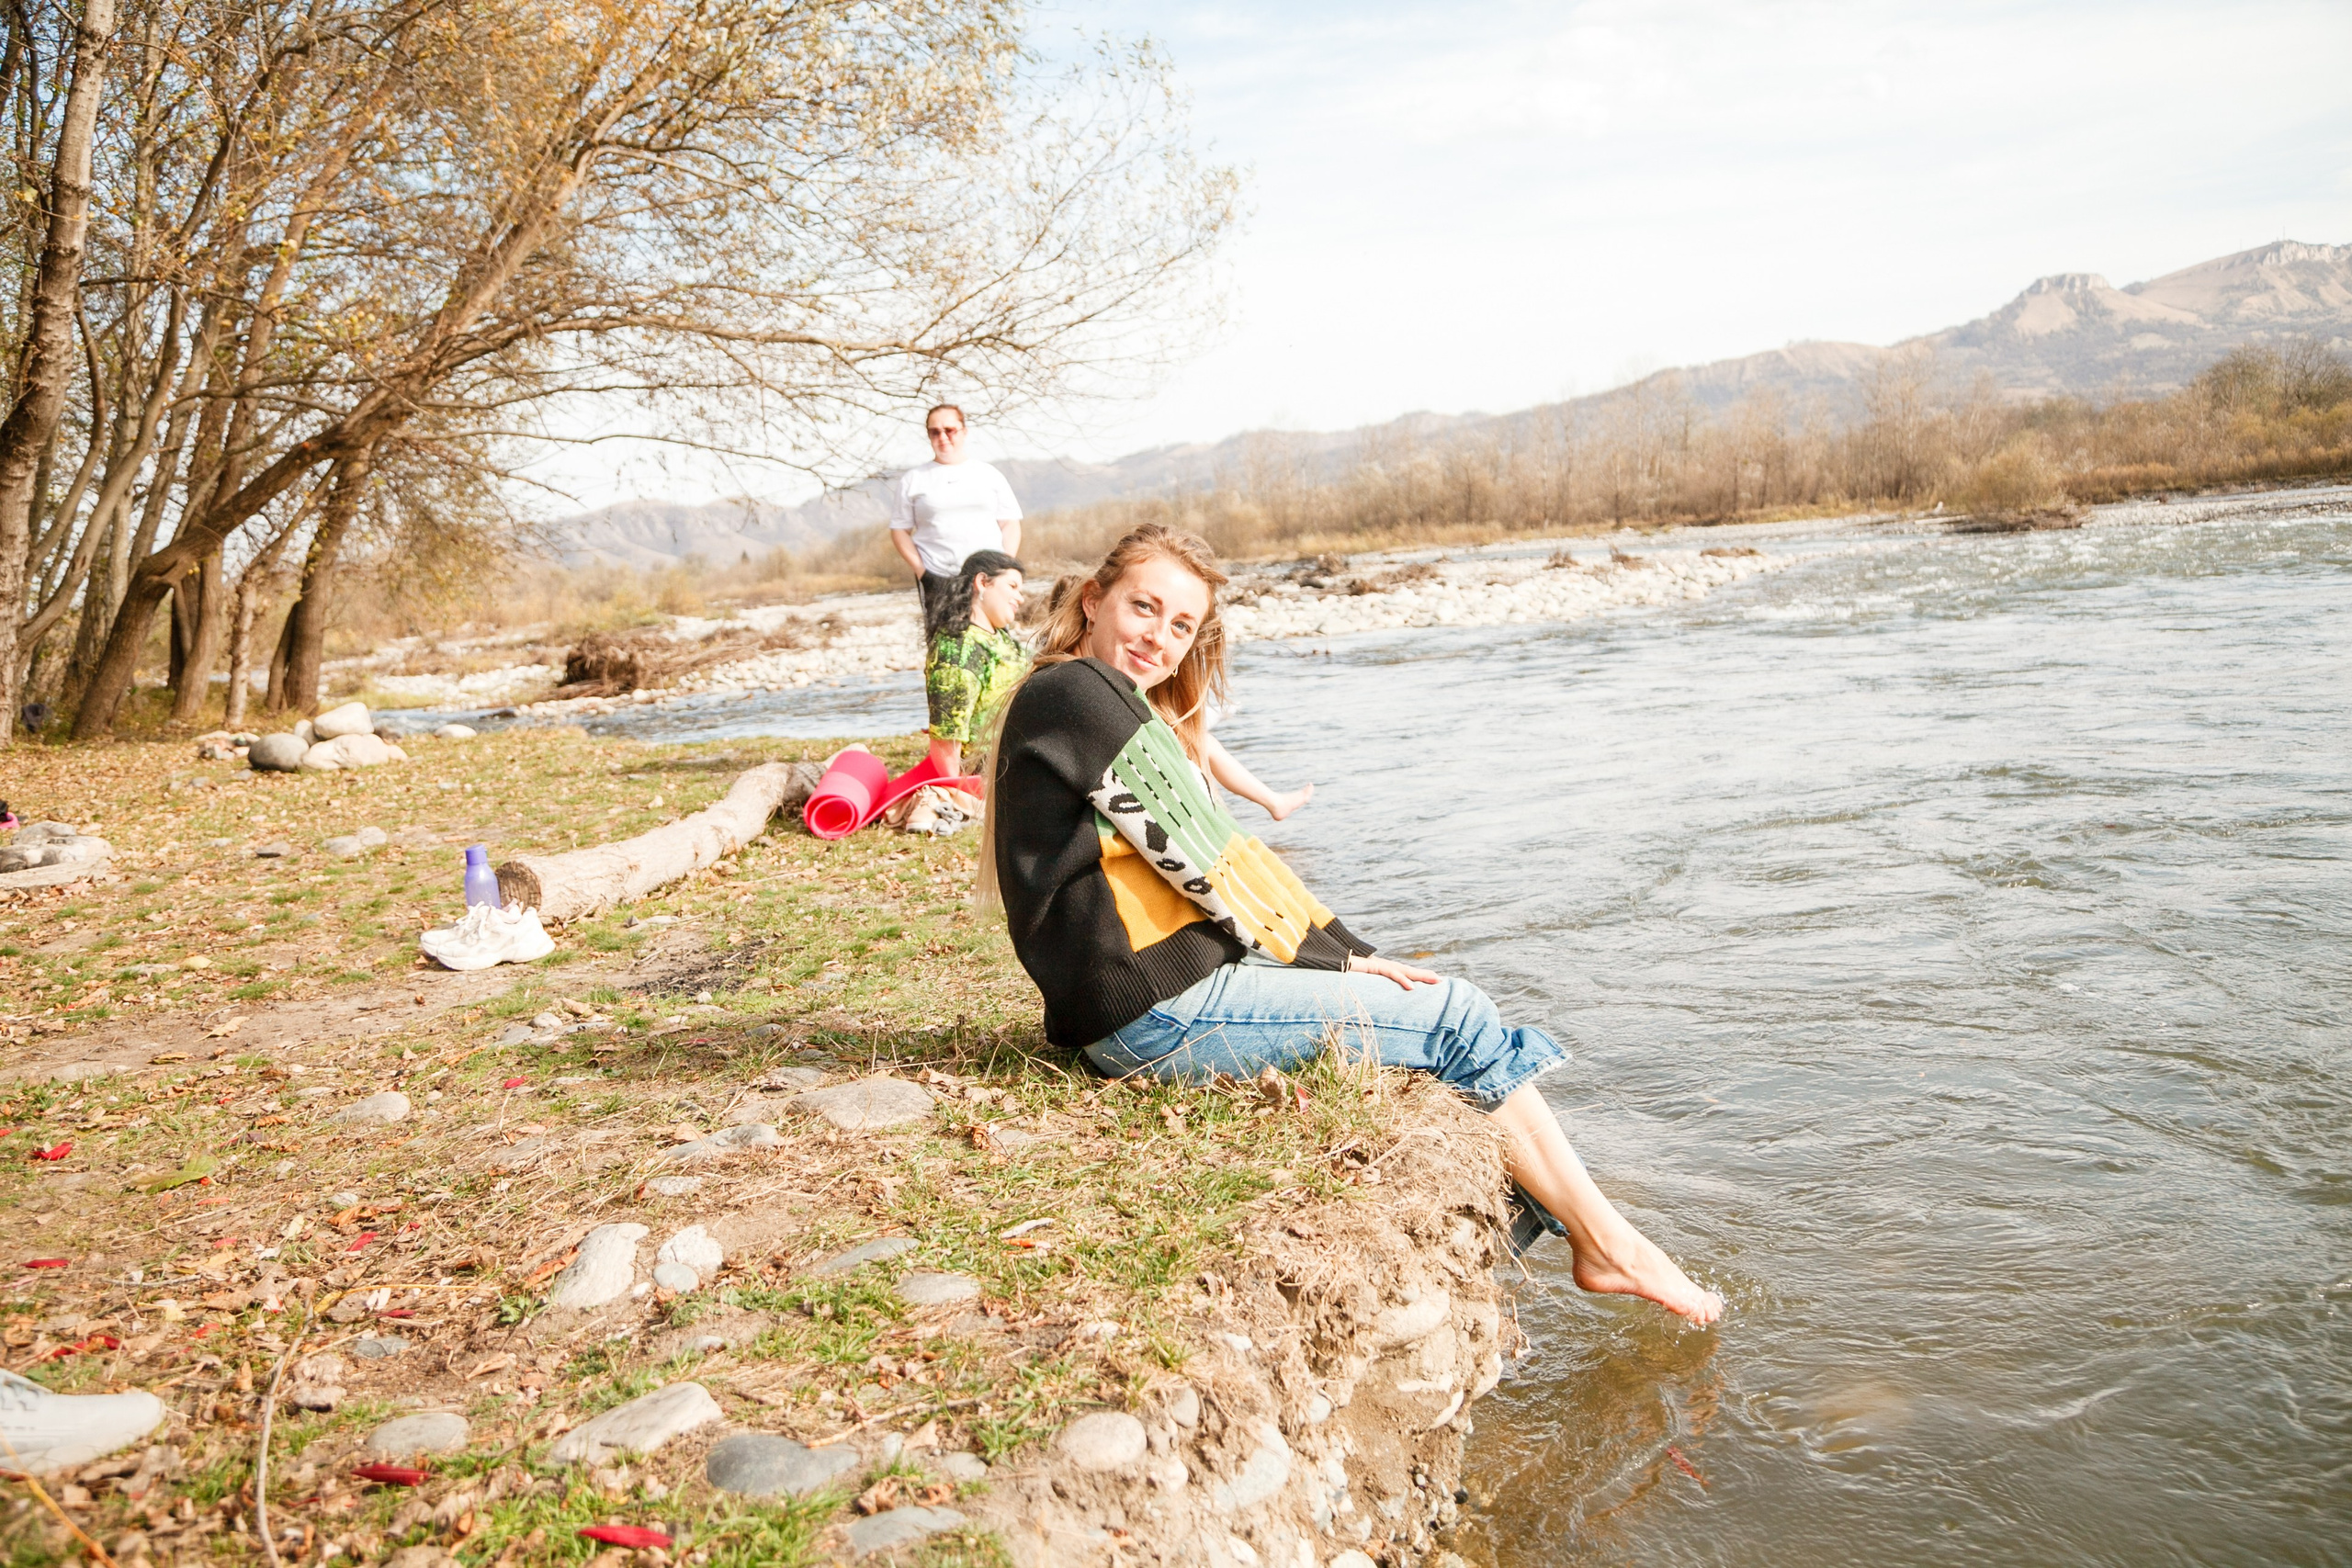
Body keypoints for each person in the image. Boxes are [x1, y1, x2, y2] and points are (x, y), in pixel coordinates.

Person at [981, 525, 1724, 1325]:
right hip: (1153, 1014)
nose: (1158, 637)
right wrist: (1342, 956)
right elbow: (1209, 858)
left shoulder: (1096, 697)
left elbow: (1210, 861)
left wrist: (1345, 954)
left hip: (1165, 988)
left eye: (1180, 625)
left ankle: (1545, 1249)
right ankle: (1607, 1247)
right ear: (1094, 601)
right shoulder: (1075, 694)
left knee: (1454, 1011)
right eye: (1143, 607)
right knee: (1455, 1016)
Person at [890, 404, 1023, 633]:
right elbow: (899, 531)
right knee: (946, 648)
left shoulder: (988, 474)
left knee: (996, 643)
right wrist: (923, 573)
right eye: (935, 431)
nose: (943, 437)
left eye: (949, 430)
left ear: (963, 431)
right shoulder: (913, 479)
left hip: (987, 578)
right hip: (939, 578)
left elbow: (1010, 523)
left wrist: (1004, 567)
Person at [922, 548, 1029, 778]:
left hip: (1023, 760)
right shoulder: (958, 647)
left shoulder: (1000, 638)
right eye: (1012, 586)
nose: (1020, 598)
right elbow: (946, 738)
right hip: (990, 777)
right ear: (982, 582)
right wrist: (961, 795)